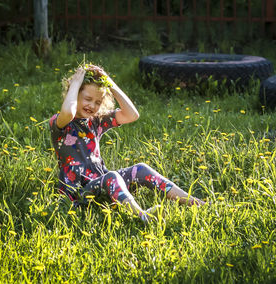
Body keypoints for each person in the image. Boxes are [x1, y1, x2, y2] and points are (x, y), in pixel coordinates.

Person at [49, 64, 206, 222]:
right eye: (88, 99)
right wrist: (75, 83)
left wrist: (110, 84)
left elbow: (132, 115)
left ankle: (194, 203)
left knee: (141, 169)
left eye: (98, 102)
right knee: (111, 176)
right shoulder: (60, 123)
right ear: (74, 95)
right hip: (79, 192)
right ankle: (142, 215)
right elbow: (68, 112)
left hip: (103, 183)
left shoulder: (95, 121)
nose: (92, 106)